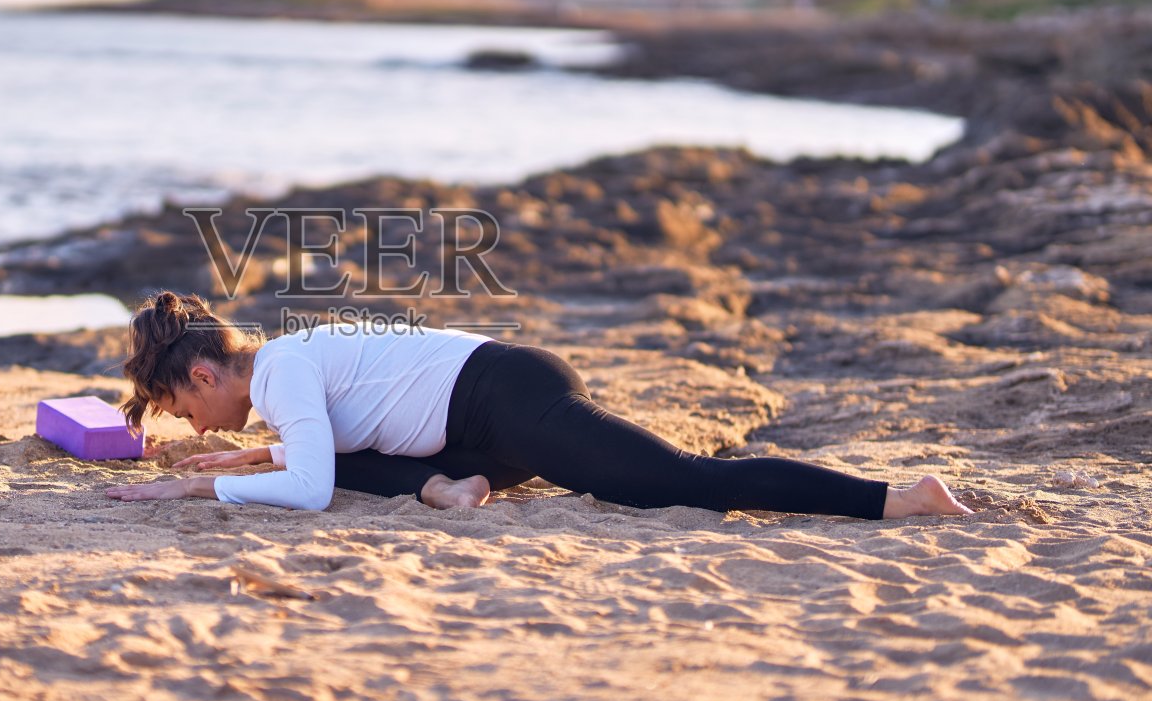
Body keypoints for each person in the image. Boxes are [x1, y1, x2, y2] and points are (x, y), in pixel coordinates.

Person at [103, 291, 972, 519]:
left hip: (509, 401)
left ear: (205, 376)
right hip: (480, 423)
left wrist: (195, 487)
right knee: (324, 455)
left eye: (177, 408)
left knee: (685, 482)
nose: (186, 423)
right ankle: (454, 486)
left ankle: (899, 496)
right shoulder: (286, 369)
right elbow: (322, 450)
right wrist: (259, 455)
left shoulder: (284, 369)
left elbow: (312, 492)